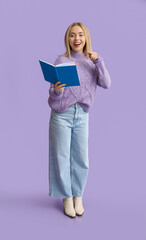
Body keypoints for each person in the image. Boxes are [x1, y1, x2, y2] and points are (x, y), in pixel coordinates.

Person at [48, 22, 111, 218]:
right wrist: (57, 90)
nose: (76, 39)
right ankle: (66, 197)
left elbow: (106, 84)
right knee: (61, 157)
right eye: (72, 35)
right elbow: (52, 95)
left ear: (86, 38)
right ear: (67, 39)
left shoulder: (92, 61)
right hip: (61, 115)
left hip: (82, 115)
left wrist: (99, 61)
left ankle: (78, 196)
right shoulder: (61, 60)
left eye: (80, 35)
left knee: (81, 159)